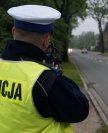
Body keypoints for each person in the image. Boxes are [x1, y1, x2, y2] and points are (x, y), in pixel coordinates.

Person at [0, 5, 89, 133]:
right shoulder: (45, 80)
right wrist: (57, 74)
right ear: (46, 40)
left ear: (13, 31)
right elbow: (80, 109)